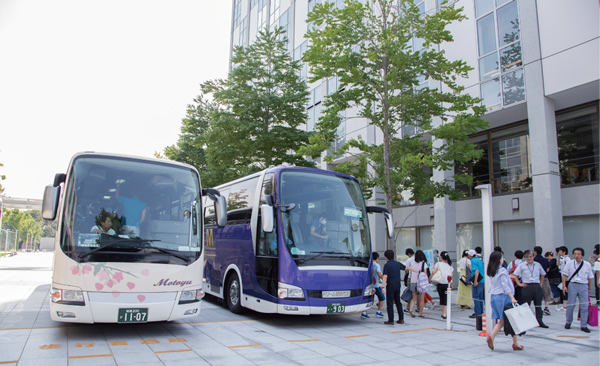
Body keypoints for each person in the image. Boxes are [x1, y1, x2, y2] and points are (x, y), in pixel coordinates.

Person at [486, 251, 523, 351]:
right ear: (499, 260)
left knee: (505, 320)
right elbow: (505, 285)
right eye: (502, 258)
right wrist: (512, 297)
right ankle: (492, 337)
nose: (503, 260)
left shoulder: (491, 270)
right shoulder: (502, 270)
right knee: (507, 320)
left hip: (494, 296)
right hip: (503, 297)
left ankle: (515, 343)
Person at [511, 250, 549, 328]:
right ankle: (525, 321)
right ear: (525, 258)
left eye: (530, 256)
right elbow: (514, 275)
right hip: (527, 286)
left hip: (536, 285)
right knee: (525, 305)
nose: (529, 258)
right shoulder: (522, 265)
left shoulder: (537, 265)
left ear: (533, 257)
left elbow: (543, 274)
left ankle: (539, 321)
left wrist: (541, 284)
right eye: (527, 257)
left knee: (538, 304)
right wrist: (519, 284)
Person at [561, 247, 594, 333]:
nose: (576, 256)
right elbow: (564, 275)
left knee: (584, 306)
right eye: (575, 254)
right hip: (573, 285)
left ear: (582, 255)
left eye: (578, 254)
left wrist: (589, 287)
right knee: (570, 305)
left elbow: (590, 277)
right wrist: (564, 286)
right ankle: (568, 322)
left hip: (583, 285)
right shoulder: (570, 263)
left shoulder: (587, 264)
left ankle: (583, 325)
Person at [381, 249, 406, 325]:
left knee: (390, 302)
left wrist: (382, 287)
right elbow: (406, 268)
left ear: (386, 257)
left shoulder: (387, 265)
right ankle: (401, 318)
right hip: (398, 285)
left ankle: (391, 320)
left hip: (391, 285)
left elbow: (385, 277)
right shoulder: (397, 264)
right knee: (398, 302)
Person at [429, 251, 453, 319]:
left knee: (441, 298)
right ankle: (445, 313)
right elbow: (451, 275)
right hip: (447, 284)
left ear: (441, 257)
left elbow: (434, 272)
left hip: (440, 283)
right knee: (445, 298)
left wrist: (430, 278)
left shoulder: (438, 264)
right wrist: (451, 283)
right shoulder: (450, 265)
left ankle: (443, 313)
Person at [362, 252, 385, 319]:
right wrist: (383, 277)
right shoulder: (377, 265)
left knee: (368, 299)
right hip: (376, 285)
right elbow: (379, 274)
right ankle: (378, 312)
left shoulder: (368, 264)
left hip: (369, 285)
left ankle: (364, 313)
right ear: (377, 258)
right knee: (382, 298)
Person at [407, 250, 428, 318]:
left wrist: (410, 279)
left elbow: (410, 272)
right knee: (421, 299)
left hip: (413, 281)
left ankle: (410, 309)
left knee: (413, 298)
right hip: (420, 283)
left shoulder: (413, 263)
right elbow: (425, 274)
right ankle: (420, 313)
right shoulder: (423, 263)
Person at [533, 246, 553, 316]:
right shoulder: (545, 260)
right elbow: (547, 270)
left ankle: (538, 309)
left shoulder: (534, 260)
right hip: (545, 279)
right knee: (547, 294)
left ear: (535, 252)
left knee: (537, 295)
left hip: (535, 280)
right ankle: (546, 307)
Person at [469, 249, 485, 319]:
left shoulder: (473, 261)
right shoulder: (479, 260)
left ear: (470, 255)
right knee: (480, 297)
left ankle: (477, 312)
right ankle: (481, 312)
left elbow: (476, 271)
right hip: (482, 280)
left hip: (478, 280)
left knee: (476, 297)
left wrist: (475, 281)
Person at [556, 246, 570, 311]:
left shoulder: (567, 258)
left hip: (567, 277)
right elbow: (558, 264)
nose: (559, 252)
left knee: (565, 291)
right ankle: (564, 305)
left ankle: (565, 306)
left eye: (560, 251)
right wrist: (558, 257)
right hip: (562, 276)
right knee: (563, 290)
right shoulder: (561, 258)